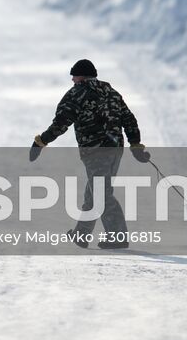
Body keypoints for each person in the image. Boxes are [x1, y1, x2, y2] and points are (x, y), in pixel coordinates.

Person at [30, 59, 149, 249]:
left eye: (74, 75)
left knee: (101, 193)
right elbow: (129, 118)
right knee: (94, 192)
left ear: (82, 76)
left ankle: (117, 237)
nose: (72, 79)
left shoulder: (77, 93)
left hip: (95, 150)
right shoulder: (111, 92)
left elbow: (61, 123)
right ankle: (81, 234)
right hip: (115, 149)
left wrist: (41, 141)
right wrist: (135, 144)